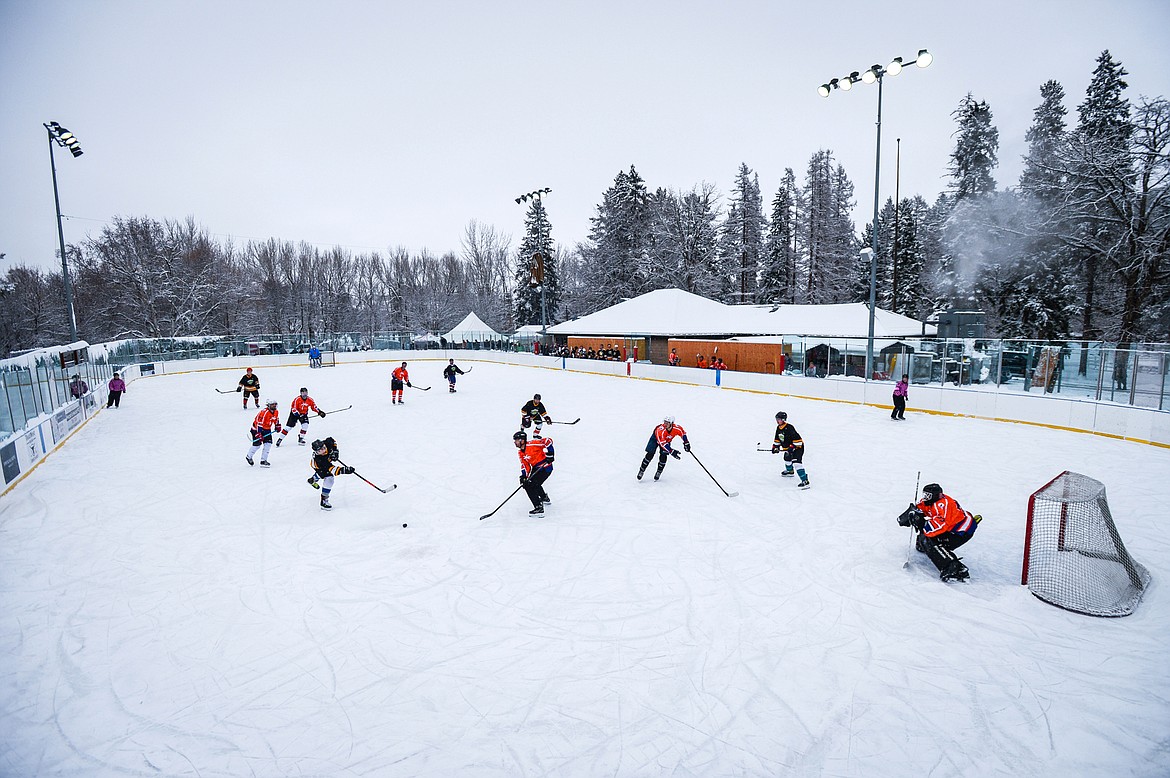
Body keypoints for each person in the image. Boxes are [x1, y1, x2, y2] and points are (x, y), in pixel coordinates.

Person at [897, 483, 981, 582]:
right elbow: (922, 507)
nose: (925, 498)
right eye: (924, 495)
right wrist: (910, 514)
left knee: (928, 539)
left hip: (961, 532)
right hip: (952, 527)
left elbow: (939, 526)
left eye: (928, 496)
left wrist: (921, 523)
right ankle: (926, 546)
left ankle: (956, 569)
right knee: (925, 538)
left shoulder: (943, 506)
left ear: (936, 495)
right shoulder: (932, 501)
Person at [514, 430, 554, 516]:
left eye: (517, 440)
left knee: (530, 485)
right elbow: (525, 465)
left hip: (545, 467)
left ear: (522, 440)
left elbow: (548, 440)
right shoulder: (521, 452)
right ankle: (544, 498)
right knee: (529, 482)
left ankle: (538, 507)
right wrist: (524, 476)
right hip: (536, 468)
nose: (515, 442)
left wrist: (551, 454)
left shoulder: (533, 444)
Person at [307, 437, 354, 511]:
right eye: (320, 451)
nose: (323, 450)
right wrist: (344, 470)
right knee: (329, 478)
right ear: (316, 452)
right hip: (318, 466)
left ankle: (313, 480)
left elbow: (332, 440)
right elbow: (333, 470)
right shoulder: (320, 459)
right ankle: (324, 501)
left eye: (323, 448)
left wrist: (335, 451)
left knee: (324, 474)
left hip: (325, 463)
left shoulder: (327, 443)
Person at [638, 415, 690, 481]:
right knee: (650, 454)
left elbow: (682, 433)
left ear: (671, 423)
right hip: (655, 439)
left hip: (666, 441)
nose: (665, 424)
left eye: (667, 423)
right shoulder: (660, 430)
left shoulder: (676, 428)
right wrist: (671, 451)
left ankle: (659, 471)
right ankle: (642, 470)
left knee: (663, 456)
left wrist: (686, 442)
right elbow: (662, 443)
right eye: (664, 422)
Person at [771, 411, 809, 489]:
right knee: (787, 459)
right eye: (777, 419)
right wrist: (775, 447)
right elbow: (777, 439)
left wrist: (792, 447)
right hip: (788, 449)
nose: (777, 421)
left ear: (783, 419)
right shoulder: (778, 428)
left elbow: (798, 440)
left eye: (779, 419)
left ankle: (805, 481)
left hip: (798, 448)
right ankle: (790, 471)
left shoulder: (789, 427)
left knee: (796, 463)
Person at [246, 399, 282, 467]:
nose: (274, 406)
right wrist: (258, 433)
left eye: (275, 404)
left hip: (267, 429)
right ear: (268, 405)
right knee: (257, 445)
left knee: (268, 444)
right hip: (256, 429)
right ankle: (249, 456)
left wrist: (277, 425)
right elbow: (259, 423)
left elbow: (276, 419)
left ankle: (263, 460)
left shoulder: (276, 412)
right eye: (272, 404)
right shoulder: (264, 412)